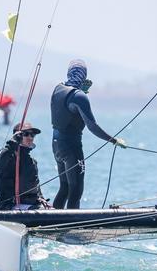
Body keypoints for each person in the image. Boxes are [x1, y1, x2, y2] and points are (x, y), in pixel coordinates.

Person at [51, 59, 126, 209]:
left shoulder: (58, 88)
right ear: (84, 75)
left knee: (64, 188)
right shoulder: (79, 97)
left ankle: (53, 222)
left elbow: (67, 110)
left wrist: (82, 91)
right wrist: (113, 140)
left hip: (56, 146)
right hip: (72, 148)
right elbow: (92, 126)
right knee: (76, 191)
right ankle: (72, 230)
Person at [0, 121, 47, 210]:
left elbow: (36, 188)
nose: (30, 137)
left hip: (31, 205)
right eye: (26, 134)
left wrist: (42, 199)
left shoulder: (32, 162)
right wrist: (12, 145)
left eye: (32, 135)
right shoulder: (9, 155)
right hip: (10, 207)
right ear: (17, 136)